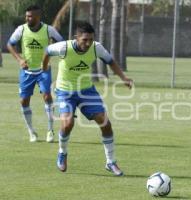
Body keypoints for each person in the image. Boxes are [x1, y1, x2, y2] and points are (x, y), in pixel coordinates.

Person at [42, 21, 132, 176]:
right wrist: (44, 70)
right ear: (76, 37)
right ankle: (62, 153)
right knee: (68, 123)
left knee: (105, 123)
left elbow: (110, 61)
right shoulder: (64, 47)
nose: (88, 43)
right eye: (85, 40)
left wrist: (123, 77)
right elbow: (47, 50)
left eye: (91, 39)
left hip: (87, 91)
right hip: (65, 91)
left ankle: (111, 162)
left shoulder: (96, 48)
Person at [7, 5, 63, 143]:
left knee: (47, 96)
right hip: (26, 71)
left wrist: (50, 54)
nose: (27, 18)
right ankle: (31, 132)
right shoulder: (21, 29)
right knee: (24, 101)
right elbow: (10, 44)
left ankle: (50, 131)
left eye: (30, 16)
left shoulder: (49, 30)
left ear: (38, 17)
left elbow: (62, 43)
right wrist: (20, 59)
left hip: (43, 69)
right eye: (26, 16)